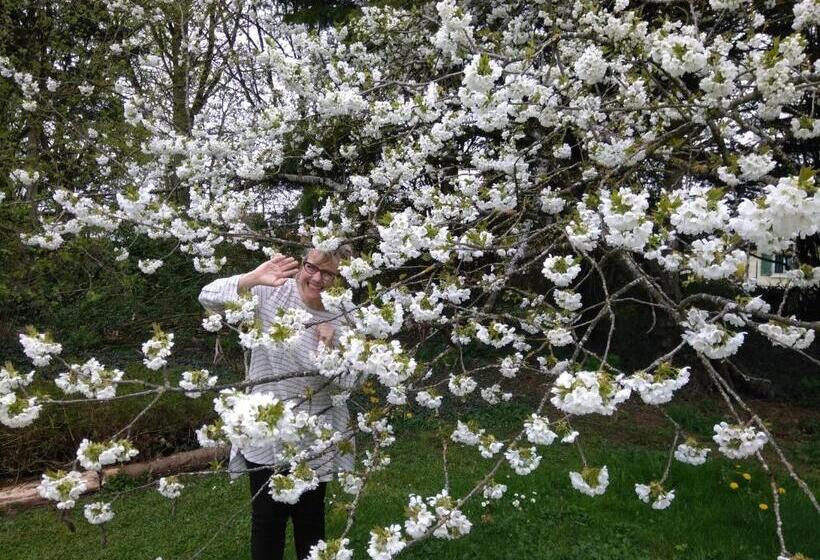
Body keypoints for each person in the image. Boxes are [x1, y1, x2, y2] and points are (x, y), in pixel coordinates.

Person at [198, 245, 354, 560]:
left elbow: (349, 382)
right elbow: (207, 296)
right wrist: (249, 279)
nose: (317, 279)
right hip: (263, 431)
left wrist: (328, 343)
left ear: (339, 280)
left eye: (329, 274)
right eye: (312, 267)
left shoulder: (342, 313)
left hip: (314, 434)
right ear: (302, 264)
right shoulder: (272, 292)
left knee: (310, 523)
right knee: (267, 521)